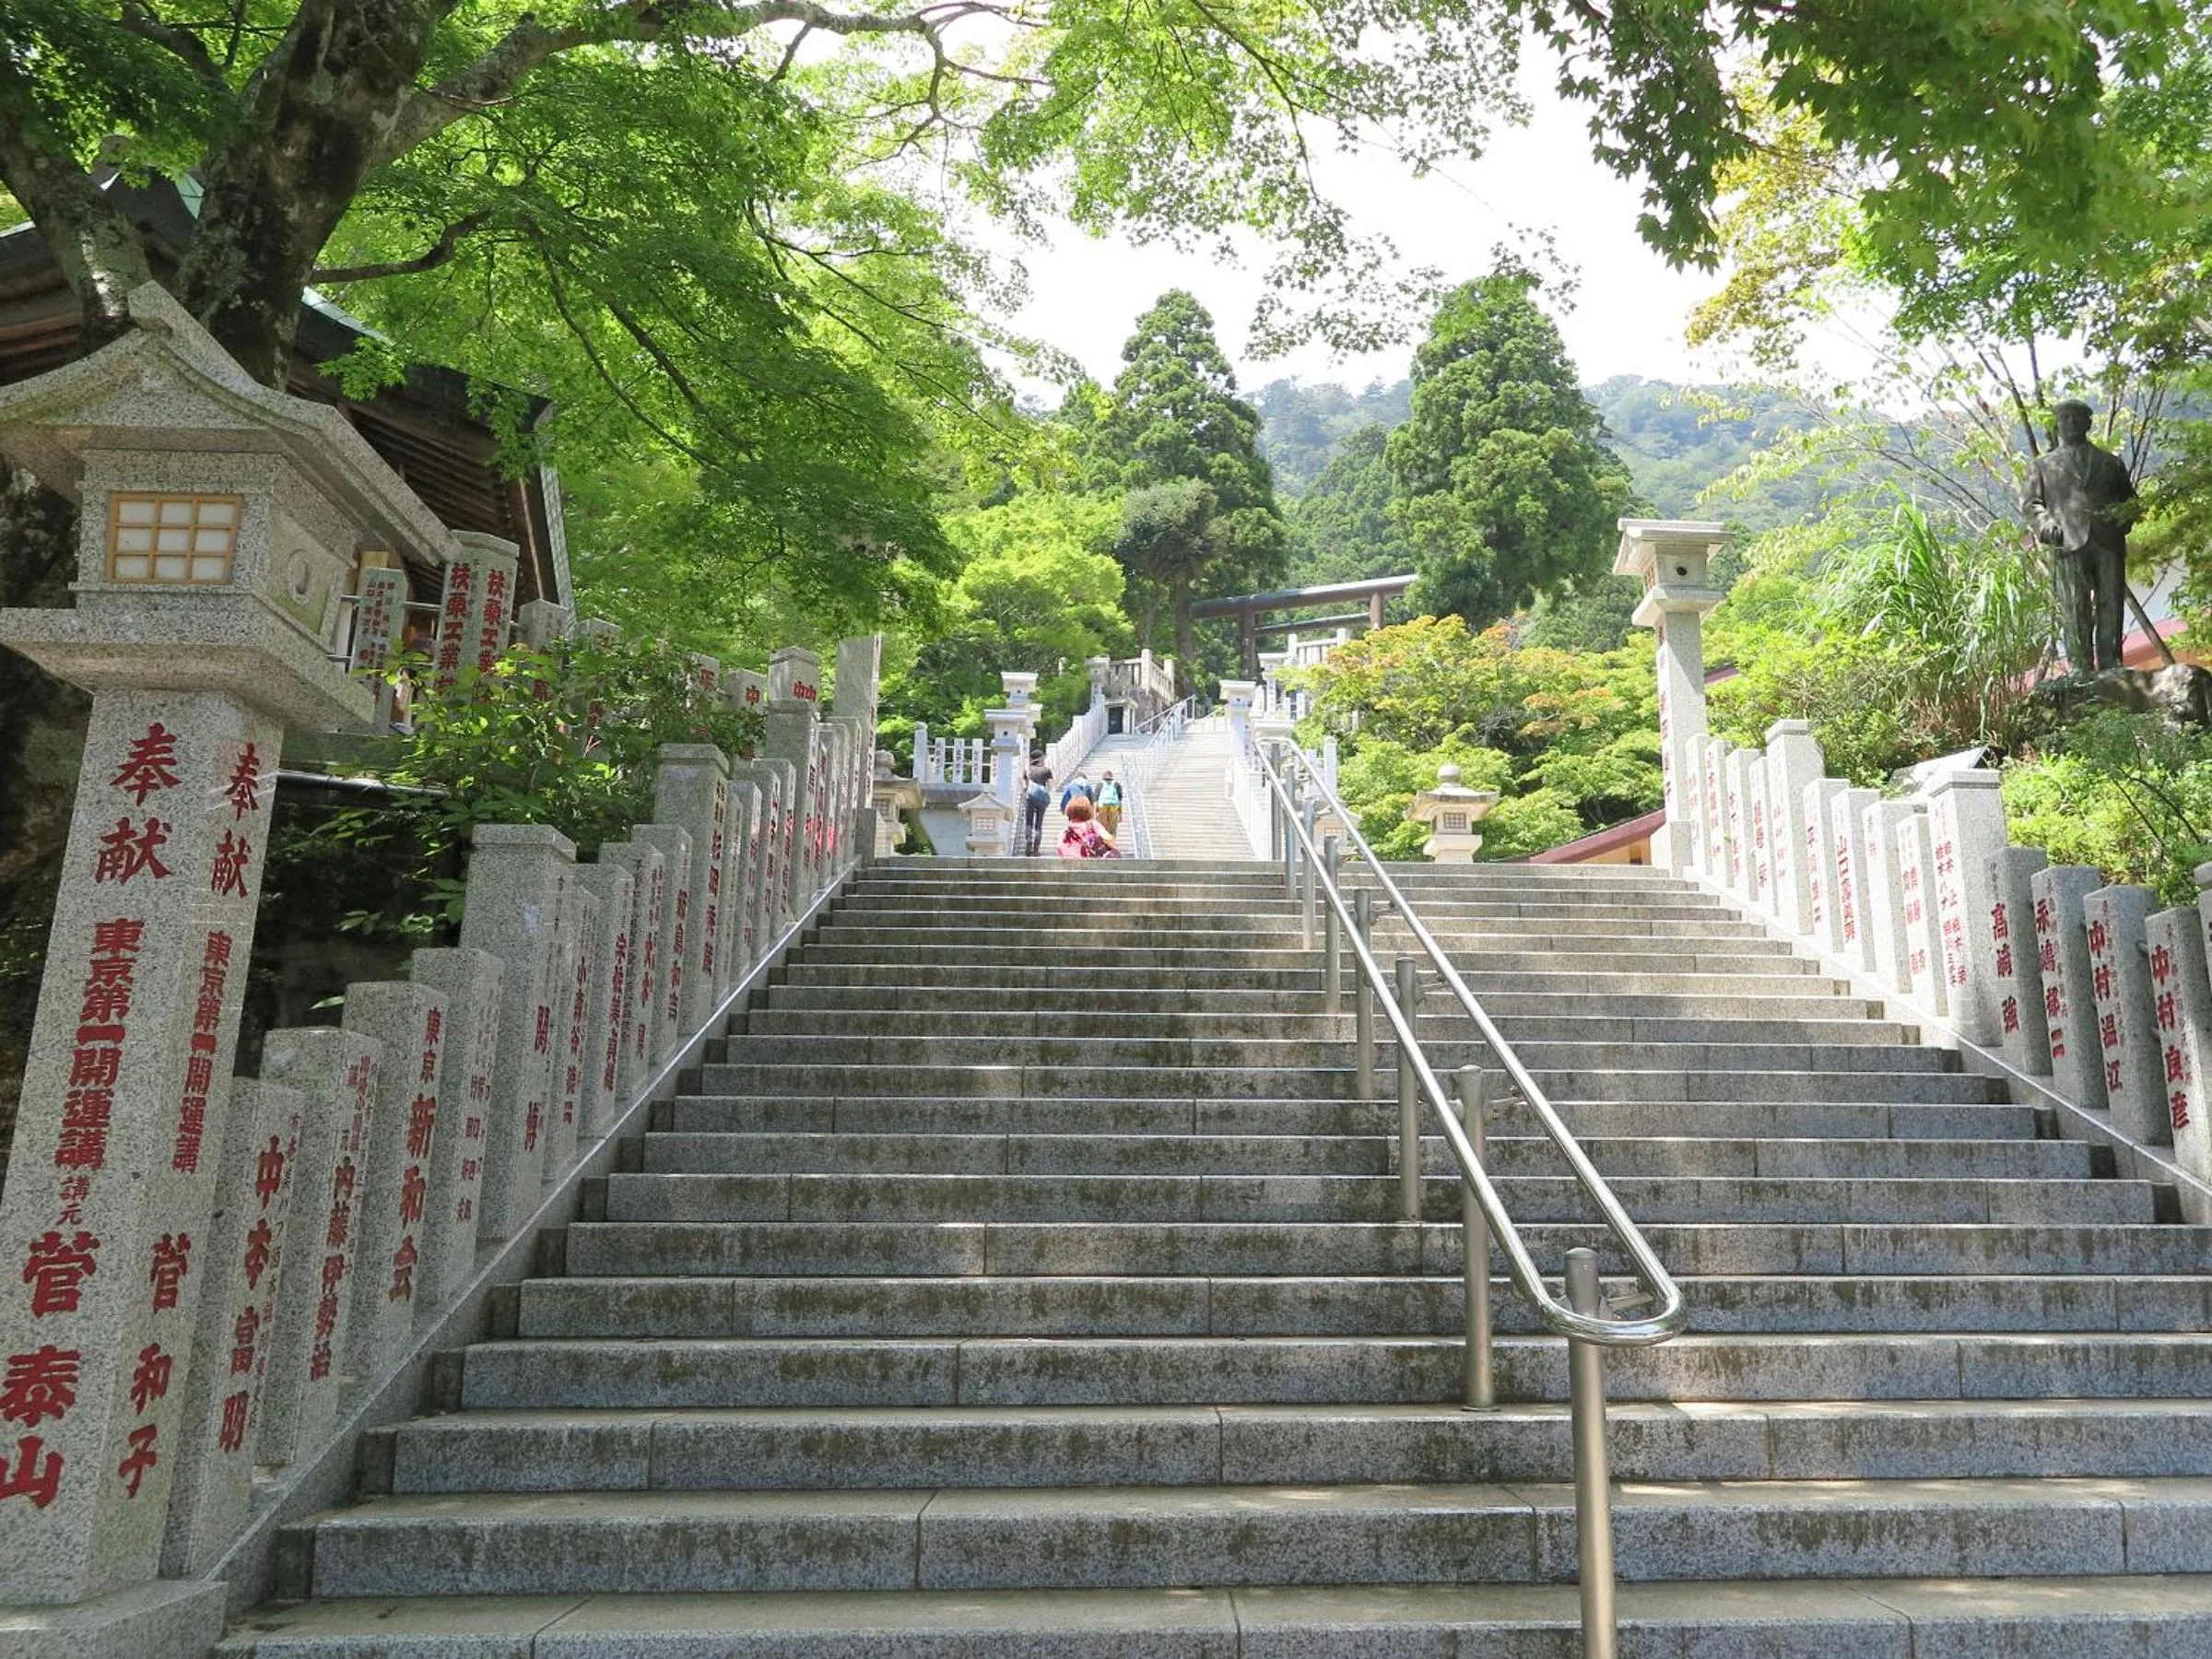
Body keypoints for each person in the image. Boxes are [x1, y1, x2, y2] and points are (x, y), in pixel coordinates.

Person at [2024, 399, 2138, 674]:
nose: (2071, 423)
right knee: (2074, 605)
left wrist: (2123, 520)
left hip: (2108, 540)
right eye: (2065, 418)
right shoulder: (2042, 466)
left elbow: (2130, 501)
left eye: (2077, 418)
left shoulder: (2110, 463)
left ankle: (2112, 664)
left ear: (2089, 423)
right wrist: (2045, 524)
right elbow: (2031, 503)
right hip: (2066, 541)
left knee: (2110, 601)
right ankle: (2080, 667)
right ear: (2057, 425)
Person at [1057, 794, 1121, 858]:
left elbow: (1060, 848)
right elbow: (1108, 838)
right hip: (1089, 864)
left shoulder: (1065, 831)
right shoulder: (1092, 824)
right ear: (1088, 810)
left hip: (1068, 865)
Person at [1021, 754, 1053, 856]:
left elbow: (1024, 783)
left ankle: (1028, 843)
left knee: (1029, 822)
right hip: (1041, 799)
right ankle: (1036, 849)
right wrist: (1046, 793)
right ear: (1040, 759)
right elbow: (1051, 785)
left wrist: (1026, 790)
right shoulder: (1046, 770)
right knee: (1038, 824)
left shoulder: (1028, 769)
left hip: (1030, 797)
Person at [1095, 770, 1124, 837]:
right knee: (1113, 828)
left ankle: (1104, 842)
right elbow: (1120, 800)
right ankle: (1112, 842)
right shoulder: (1117, 785)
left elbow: (1096, 799)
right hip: (1114, 806)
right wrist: (1120, 815)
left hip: (1102, 806)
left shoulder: (1100, 785)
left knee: (1103, 826)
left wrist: (1095, 812)